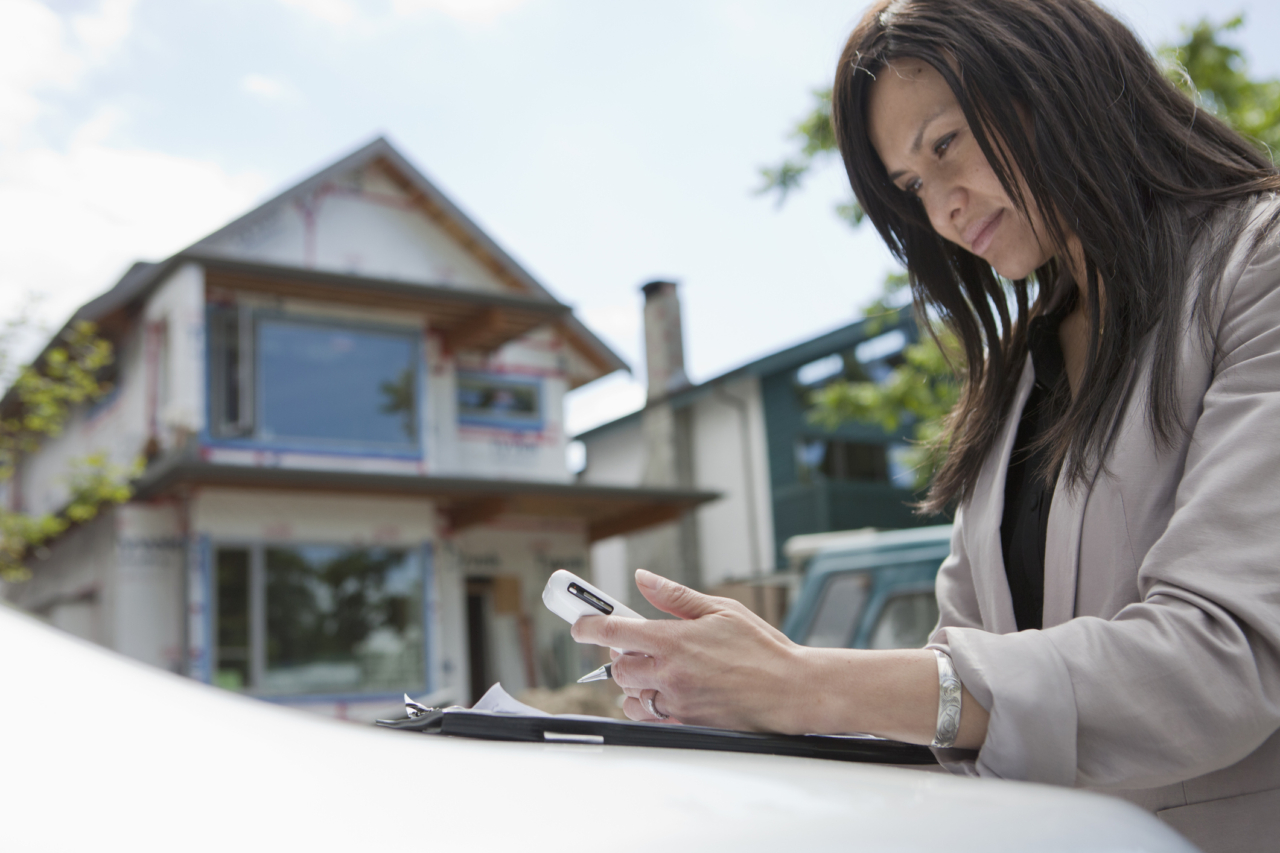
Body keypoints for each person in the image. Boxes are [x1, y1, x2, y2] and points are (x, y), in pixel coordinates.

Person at [569, 0, 1280, 849]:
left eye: (945, 145)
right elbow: (964, 691)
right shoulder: (1020, 370)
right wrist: (751, 696)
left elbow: (1220, 663)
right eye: (911, 186)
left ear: (1057, 80)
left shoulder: (1258, 269)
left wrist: (807, 683)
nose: (941, 207)